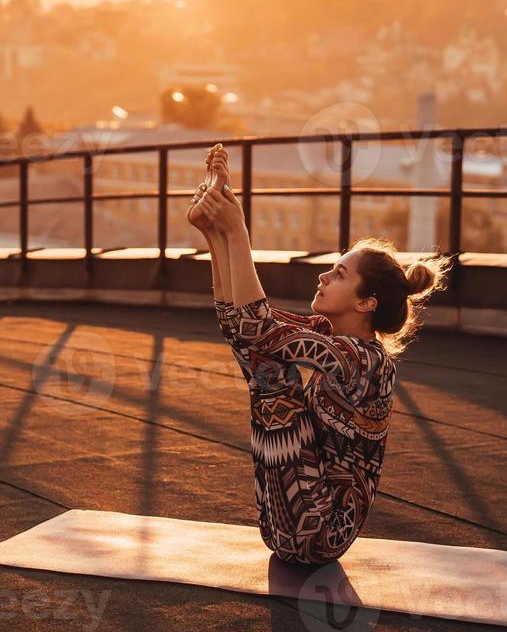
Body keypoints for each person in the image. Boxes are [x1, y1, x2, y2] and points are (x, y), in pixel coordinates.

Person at [186, 143, 451, 565]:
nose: (324, 276)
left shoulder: (366, 361)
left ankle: (221, 233)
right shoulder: (327, 336)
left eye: (340, 274)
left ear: (366, 303)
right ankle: (214, 233)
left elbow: (262, 329)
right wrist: (215, 234)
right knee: (263, 362)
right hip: (284, 524)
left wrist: (236, 231)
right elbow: (247, 330)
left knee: (272, 375)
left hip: (321, 531)